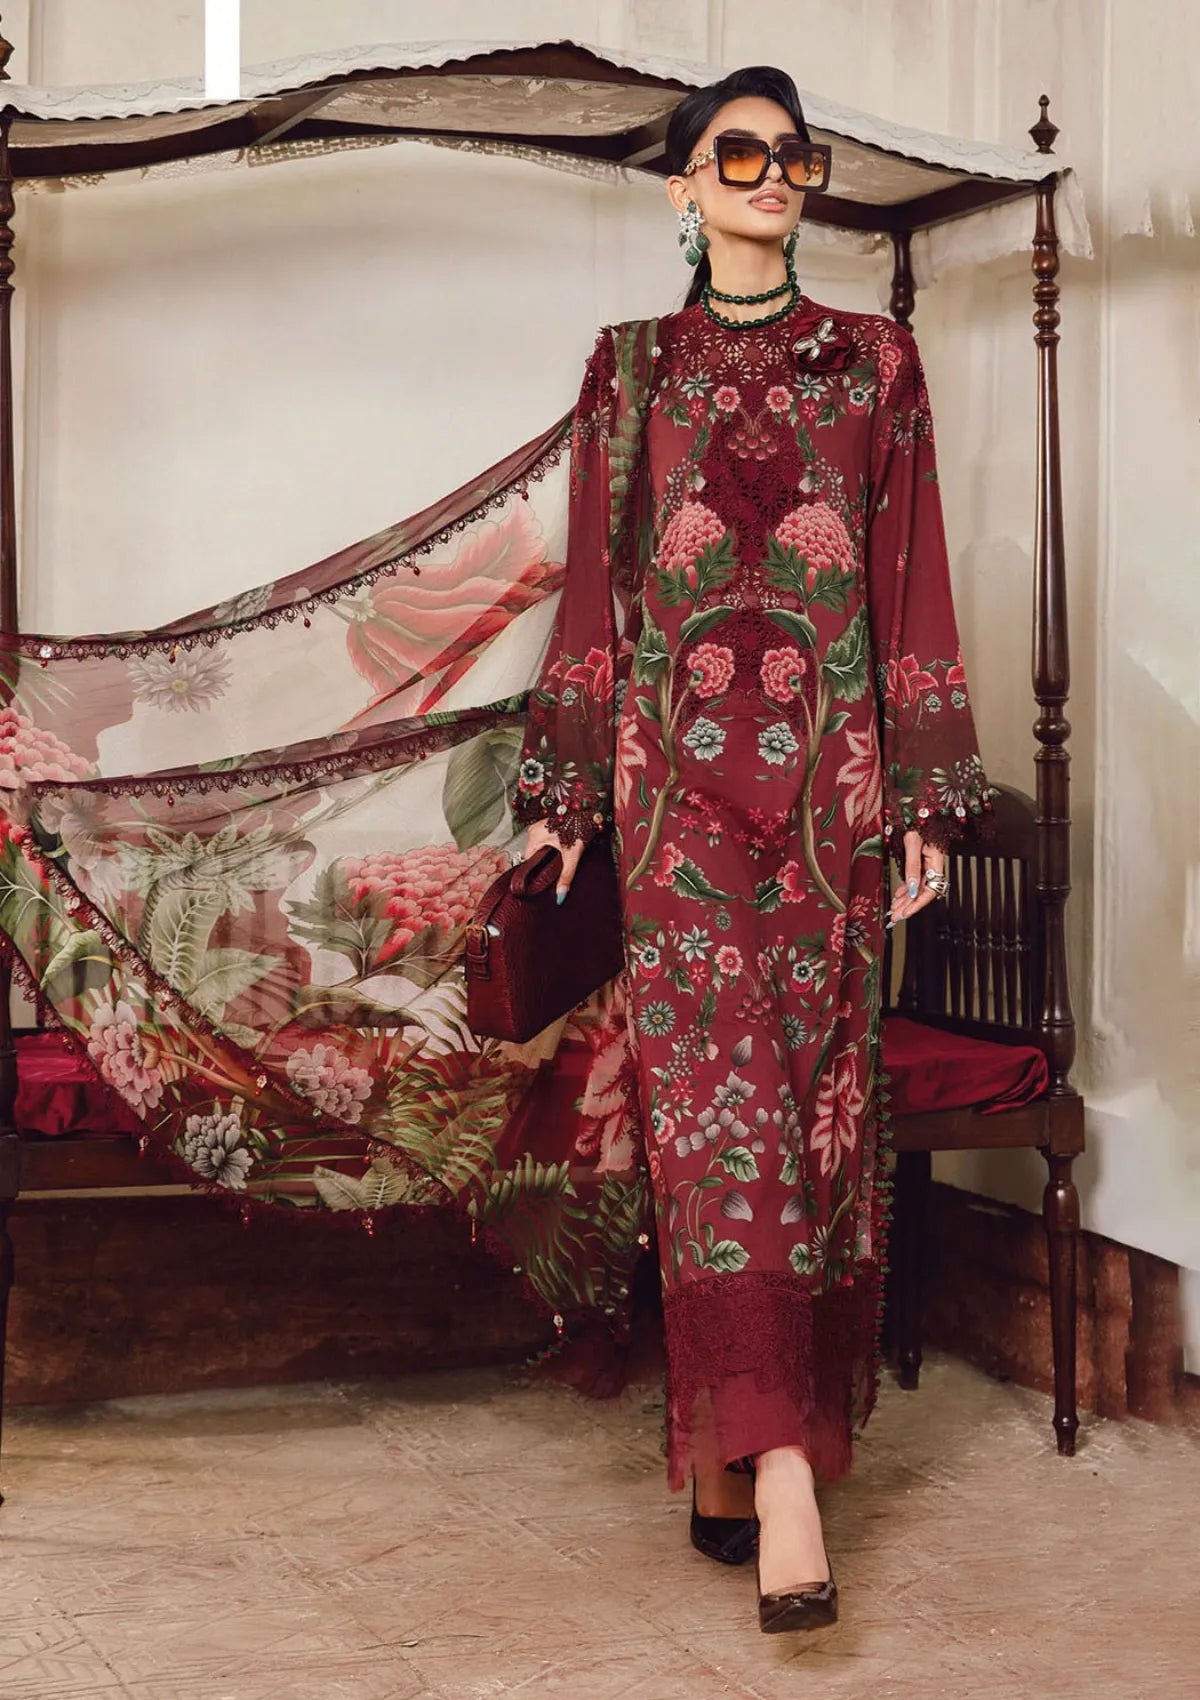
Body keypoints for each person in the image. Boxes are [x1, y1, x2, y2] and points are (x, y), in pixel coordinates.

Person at [513, 64, 993, 1634]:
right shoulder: (630, 370)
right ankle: (784, 1479)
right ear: (683, 186)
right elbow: (596, 595)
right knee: (720, 1123)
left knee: (811, 1116)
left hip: (829, 810)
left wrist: (924, 797)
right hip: (673, 811)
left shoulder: (875, 363)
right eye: (739, 153)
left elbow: (911, 580)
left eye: (795, 154)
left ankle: (741, 1464)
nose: (773, 173)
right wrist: (566, 795)